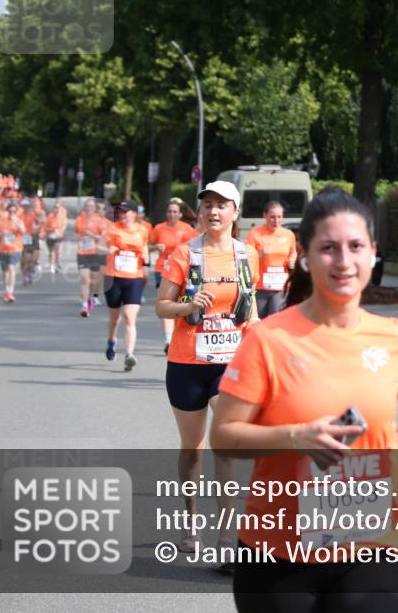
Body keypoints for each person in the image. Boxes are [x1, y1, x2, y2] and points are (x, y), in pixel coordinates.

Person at [210, 186, 398, 612]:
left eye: (356, 246)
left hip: (374, 547)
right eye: (329, 248)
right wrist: (296, 436)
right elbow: (222, 436)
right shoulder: (268, 339)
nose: (344, 261)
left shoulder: (393, 337)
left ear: (373, 253)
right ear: (307, 257)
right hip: (278, 555)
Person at [155, 181, 260, 565]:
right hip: (187, 365)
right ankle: (190, 520)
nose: (214, 212)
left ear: (235, 213)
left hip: (230, 366)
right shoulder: (185, 253)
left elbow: (251, 311)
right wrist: (187, 305)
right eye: (208, 206)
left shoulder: (247, 255)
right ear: (199, 213)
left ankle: (228, 538)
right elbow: (162, 306)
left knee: (226, 445)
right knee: (193, 449)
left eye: (222, 206)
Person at [98, 199, 149, 371]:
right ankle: (112, 340)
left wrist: (147, 259)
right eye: (121, 212)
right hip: (113, 278)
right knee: (114, 318)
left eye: (126, 212)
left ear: (134, 214)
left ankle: (129, 354)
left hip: (134, 278)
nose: (122, 215)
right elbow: (98, 247)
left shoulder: (142, 230)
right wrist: (108, 250)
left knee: (129, 317)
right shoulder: (113, 229)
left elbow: (145, 246)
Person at [150, 198, 199, 353]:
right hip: (162, 269)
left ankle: (176, 335)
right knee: (166, 300)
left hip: (182, 270)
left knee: (178, 302)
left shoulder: (187, 229)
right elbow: (148, 246)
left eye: (175, 212)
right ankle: (168, 339)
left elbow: (196, 247)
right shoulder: (159, 228)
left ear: (180, 214)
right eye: (170, 212)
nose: (172, 215)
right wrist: (155, 247)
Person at [245, 200, 298, 318]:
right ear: (264, 215)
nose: (276, 221)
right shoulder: (254, 234)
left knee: (275, 319)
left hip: (280, 286)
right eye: (272, 217)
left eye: (279, 217)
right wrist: (261, 255)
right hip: (260, 287)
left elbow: (293, 253)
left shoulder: (288, 234)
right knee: (259, 321)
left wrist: (292, 260)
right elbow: (246, 260)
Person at [74, 199, 110, 317]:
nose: (89, 208)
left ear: (94, 208)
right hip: (82, 252)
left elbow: (103, 238)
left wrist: (92, 235)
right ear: (85, 207)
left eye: (91, 206)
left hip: (94, 253)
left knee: (94, 279)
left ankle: (91, 297)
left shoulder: (99, 221)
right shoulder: (80, 219)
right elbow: (75, 233)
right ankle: (85, 306)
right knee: (85, 279)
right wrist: (79, 237)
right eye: (87, 206)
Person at [0, 201, 26, 302]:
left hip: (15, 249)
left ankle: (10, 292)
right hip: (3, 250)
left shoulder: (19, 221)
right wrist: (1, 234)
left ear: (16, 212)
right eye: (10, 211)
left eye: (14, 211)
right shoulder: (2, 221)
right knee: (5, 272)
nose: (12, 213)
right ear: (7, 211)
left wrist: (17, 223)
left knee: (11, 268)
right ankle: (7, 291)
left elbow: (23, 231)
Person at [45, 200, 68, 274]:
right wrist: (51, 230)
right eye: (55, 207)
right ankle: (52, 265)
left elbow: (64, 224)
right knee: (51, 252)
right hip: (50, 236)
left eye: (58, 207)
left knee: (57, 250)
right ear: (53, 208)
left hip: (58, 236)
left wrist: (61, 231)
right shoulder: (50, 216)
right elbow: (45, 227)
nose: (56, 209)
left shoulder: (62, 215)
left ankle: (56, 263)